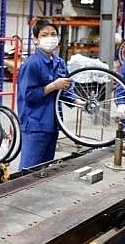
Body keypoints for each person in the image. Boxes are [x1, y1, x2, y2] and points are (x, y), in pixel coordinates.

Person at [17, 19, 79, 169]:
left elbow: (63, 91)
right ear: (36, 40)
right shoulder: (32, 64)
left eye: (53, 34)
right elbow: (29, 95)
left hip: (53, 124)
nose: (50, 38)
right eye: (44, 35)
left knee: (45, 168)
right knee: (29, 169)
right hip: (35, 125)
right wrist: (53, 86)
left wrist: (79, 102)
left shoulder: (59, 62)